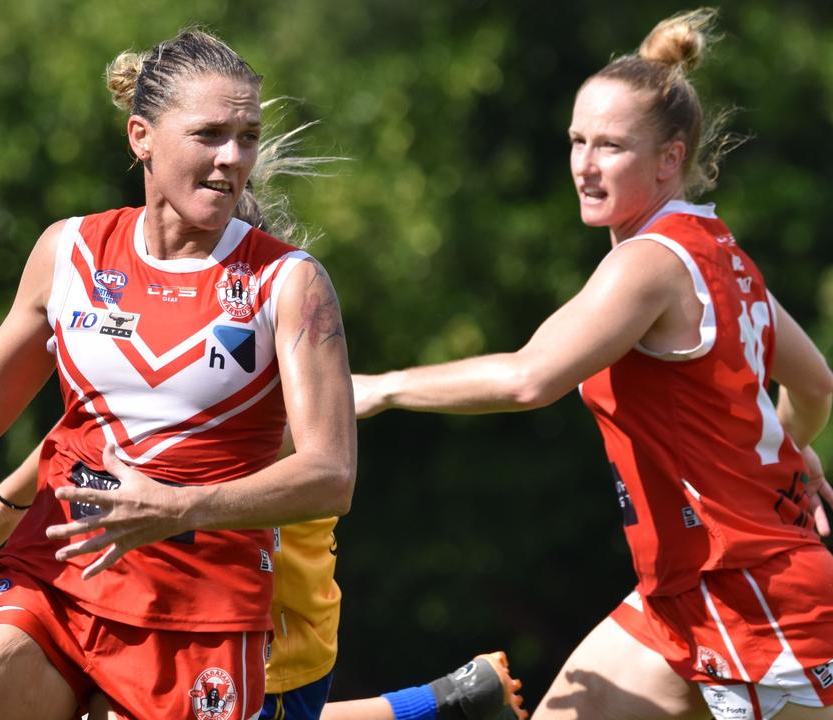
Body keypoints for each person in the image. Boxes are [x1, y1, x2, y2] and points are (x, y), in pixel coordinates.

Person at [0, 28, 358, 720]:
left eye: (247, 136)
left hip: (196, 614)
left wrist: (179, 508)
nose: (232, 159)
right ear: (141, 137)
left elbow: (330, 472)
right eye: (208, 135)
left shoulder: (288, 283)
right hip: (56, 576)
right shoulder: (71, 252)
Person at [353, 9, 833, 720]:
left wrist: (384, 388)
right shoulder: (719, 250)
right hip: (681, 593)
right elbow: (815, 382)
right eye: (578, 141)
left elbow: (528, 377)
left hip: (753, 598)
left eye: (610, 146)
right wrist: (793, 455)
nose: (584, 164)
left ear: (669, 158)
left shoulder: (648, 264)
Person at [0, 438, 527, 720]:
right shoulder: (160, 332)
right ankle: (450, 701)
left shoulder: (275, 364)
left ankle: (442, 704)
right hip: (155, 606)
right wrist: (5, 503)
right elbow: (83, 427)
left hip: (275, 644)